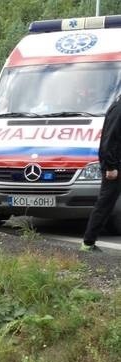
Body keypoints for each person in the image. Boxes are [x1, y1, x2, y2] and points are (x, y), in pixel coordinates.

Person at [80, 93, 121, 252]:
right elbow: (108, 141)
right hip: (115, 167)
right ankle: (88, 243)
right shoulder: (119, 109)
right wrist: (110, 167)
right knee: (105, 205)